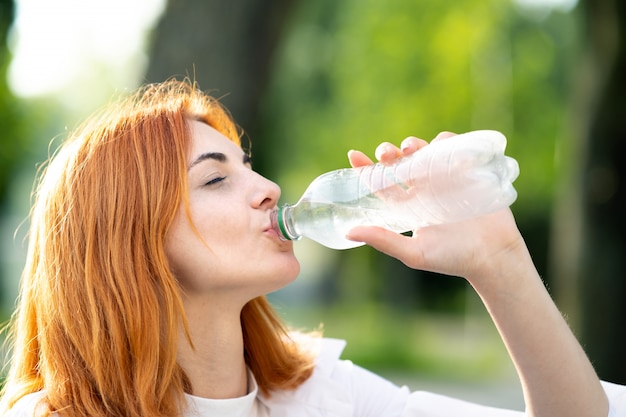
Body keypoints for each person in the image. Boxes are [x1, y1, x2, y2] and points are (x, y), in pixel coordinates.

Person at [0, 78, 624, 417]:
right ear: (125, 240)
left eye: (250, 167)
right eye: (216, 178)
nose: (269, 188)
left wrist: (501, 262)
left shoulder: (321, 395)